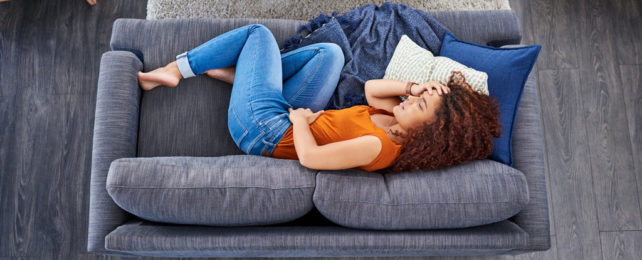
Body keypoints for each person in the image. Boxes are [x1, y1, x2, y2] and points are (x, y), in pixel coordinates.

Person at [137, 24, 502, 173]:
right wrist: (415, 89)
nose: (410, 103)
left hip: (265, 130)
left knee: (258, 34)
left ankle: (177, 70)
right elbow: (372, 88)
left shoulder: (379, 147)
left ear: (430, 134)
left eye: (419, 108)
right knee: (329, 55)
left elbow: (310, 158)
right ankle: (244, 78)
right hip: (284, 115)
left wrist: (299, 122)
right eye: (417, 100)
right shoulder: (395, 122)